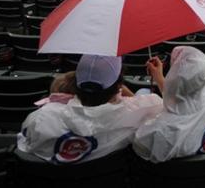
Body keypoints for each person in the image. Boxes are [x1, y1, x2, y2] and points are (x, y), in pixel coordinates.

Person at [17, 54, 163, 163]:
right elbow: (178, 111)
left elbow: (25, 147)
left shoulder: (41, 118)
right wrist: (158, 77)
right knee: (142, 92)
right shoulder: (140, 111)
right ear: (119, 87)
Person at [133, 46, 205, 163]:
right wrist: (159, 77)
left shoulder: (156, 133)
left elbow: (139, 146)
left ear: (173, 78)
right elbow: (184, 95)